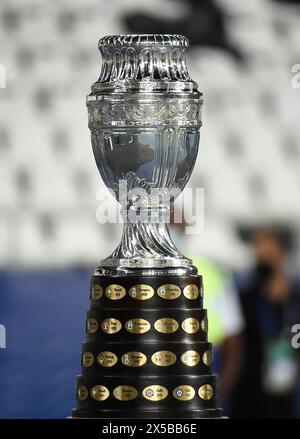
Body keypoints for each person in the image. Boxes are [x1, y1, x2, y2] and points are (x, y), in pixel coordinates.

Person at [231, 225, 300, 418]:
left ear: (282, 252)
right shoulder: (245, 299)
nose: (261, 256)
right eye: (257, 251)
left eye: (267, 251)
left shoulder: (295, 299)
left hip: (289, 397)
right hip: (249, 396)